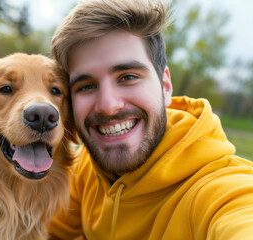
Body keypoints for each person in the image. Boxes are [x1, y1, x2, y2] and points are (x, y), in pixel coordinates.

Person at [47, 0, 253, 239]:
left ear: (165, 85)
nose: (108, 106)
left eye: (128, 77)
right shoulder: (87, 166)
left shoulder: (221, 191)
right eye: (86, 86)